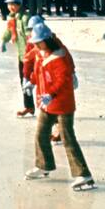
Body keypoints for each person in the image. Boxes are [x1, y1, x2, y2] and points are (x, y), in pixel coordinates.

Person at [24, 19, 94, 191]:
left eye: (38, 42)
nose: (36, 45)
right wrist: (31, 82)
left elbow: (63, 80)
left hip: (62, 104)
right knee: (41, 134)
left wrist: (51, 94)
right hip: (47, 104)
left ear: (46, 40)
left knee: (68, 138)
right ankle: (44, 165)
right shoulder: (42, 54)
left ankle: (84, 175)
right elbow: (38, 73)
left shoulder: (59, 57)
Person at [0, 0, 34, 117]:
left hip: (31, 56)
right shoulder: (12, 18)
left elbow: (31, 38)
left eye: (13, 4)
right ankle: (29, 106)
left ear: (19, 4)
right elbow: (9, 31)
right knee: (23, 82)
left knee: (38, 82)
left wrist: (33, 53)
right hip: (21, 56)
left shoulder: (25, 18)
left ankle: (52, 111)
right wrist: (3, 40)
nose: (11, 7)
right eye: (9, 4)